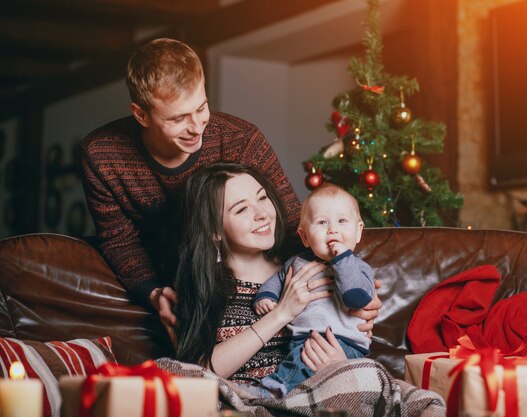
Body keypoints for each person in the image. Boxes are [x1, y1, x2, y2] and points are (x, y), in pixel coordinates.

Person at [80, 38, 302, 340]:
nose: (197, 126)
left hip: (261, 286)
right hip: (182, 289)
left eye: (201, 107)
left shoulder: (241, 139)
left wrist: (340, 286)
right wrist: (154, 292)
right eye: (178, 118)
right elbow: (119, 242)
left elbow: (292, 221)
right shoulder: (102, 156)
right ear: (140, 114)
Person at [174, 162, 345, 393]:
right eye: (241, 209)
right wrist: (281, 313)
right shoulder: (206, 285)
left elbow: (351, 322)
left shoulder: (303, 264)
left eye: (263, 198)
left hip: (317, 392)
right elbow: (196, 372)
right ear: (214, 230)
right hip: (244, 400)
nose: (263, 214)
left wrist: (341, 366)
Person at [254, 183, 374, 394]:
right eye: (321, 222)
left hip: (344, 343)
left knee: (301, 364)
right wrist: (266, 295)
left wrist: (342, 259)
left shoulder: (357, 267)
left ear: (358, 231)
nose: (333, 229)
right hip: (302, 338)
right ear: (305, 237)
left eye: (342, 221)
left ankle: (272, 390)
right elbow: (278, 279)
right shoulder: (296, 262)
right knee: (300, 365)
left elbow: (355, 298)